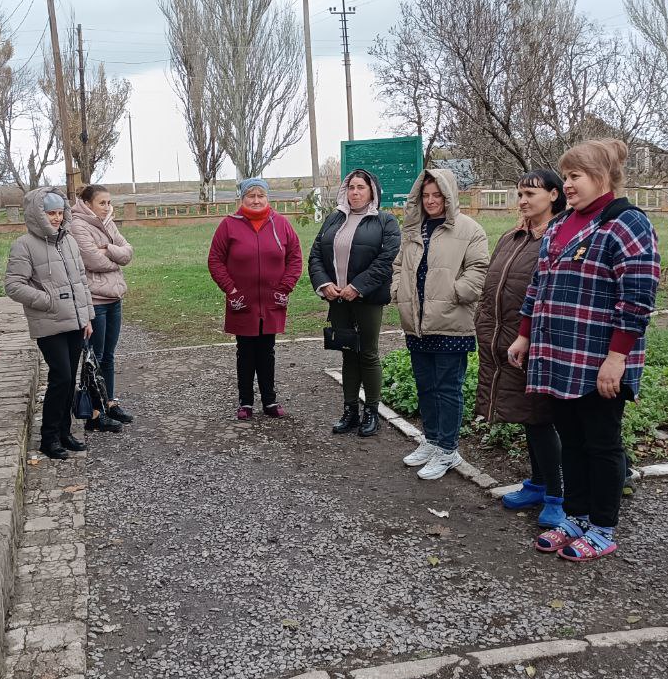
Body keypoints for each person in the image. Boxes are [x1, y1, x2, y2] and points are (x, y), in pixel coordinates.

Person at [509, 139, 659, 561]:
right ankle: (574, 516)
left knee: (601, 442)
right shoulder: (562, 224)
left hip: (598, 360)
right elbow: (539, 285)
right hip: (558, 356)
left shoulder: (626, 223)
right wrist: (524, 333)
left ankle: (603, 525)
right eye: (568, 176)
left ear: (603, 177)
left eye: (575, 176)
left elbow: (638, 296)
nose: (568, 184)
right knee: (571, 440)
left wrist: (617, 357)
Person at [475, 169, 567, 527]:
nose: (523, 201)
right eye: (520, 194)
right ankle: (538, 483)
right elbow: (492, 289)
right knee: (528, 418)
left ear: (554, 196)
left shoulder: (558, 239)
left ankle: (558, 496)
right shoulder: (512, 238)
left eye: (531, 193)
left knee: (542, 420)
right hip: (506, 340)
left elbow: (552, 296)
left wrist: (531, 337)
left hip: (540, 343)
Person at [390, 168, 489, 480]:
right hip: (417, 322)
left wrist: (456, 293)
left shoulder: (469, 229)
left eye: (438, 195)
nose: (431, 201)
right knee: (426, 386)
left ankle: (448, 449)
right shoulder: (413, 229)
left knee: (448, 388)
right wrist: (398, 290)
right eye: (426, 195)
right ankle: (431, 440)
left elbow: (479, 268)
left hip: (451, 322)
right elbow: (398, 265)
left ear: (449, 196)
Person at [308, 169, 401, 437]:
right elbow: (316, 255)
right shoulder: (333, 220)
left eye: (361, 187)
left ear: (372, 191)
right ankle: (350, 410)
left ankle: (371, 411)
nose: (355, 192)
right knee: (348, 353)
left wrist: (357, 287)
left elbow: (386, 261)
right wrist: (325, 285)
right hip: (337, 299)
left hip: (367, 299)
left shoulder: (386, 222)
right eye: (351, 187)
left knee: (368, 353)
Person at [5, 187, 94, 460]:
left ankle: (65, 433)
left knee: (69, 382)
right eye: (50, 213)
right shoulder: (24, 245)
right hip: (49, 322)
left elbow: (80, 280)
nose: (56, 218)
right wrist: (48, 300)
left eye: (59, 212)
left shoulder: (67, 241)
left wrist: (87, 315)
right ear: (37, 214)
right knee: (61, 378)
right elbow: (13, 285)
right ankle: (49, 437)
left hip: (75, 322)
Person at [207, 178, 303, 419]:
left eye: (261, 195)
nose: (257, 200)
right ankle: (245, 402)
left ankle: (270, 401)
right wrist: (230, 289)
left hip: (272, 300)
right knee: (245, 350)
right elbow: (215, 260)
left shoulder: (281, 224)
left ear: (268, 198)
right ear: (242, 198)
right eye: (251, 195)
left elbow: (295, 257)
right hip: (242, 300)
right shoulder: (229, 225)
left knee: (267, 350)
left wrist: (285, 286)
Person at [69, 183, 134, 432]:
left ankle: (109, 402)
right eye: (102, 203)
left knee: (108, 355)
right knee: (93, 358)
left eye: (109, 202)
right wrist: (114, 259)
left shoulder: (108, 223)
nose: (107, 207)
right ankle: (94, 414)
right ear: (87, 204)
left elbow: (127, 253)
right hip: (95, 300)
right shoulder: (78, 225)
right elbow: (91, 260)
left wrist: (107, 248)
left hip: (114, 298)